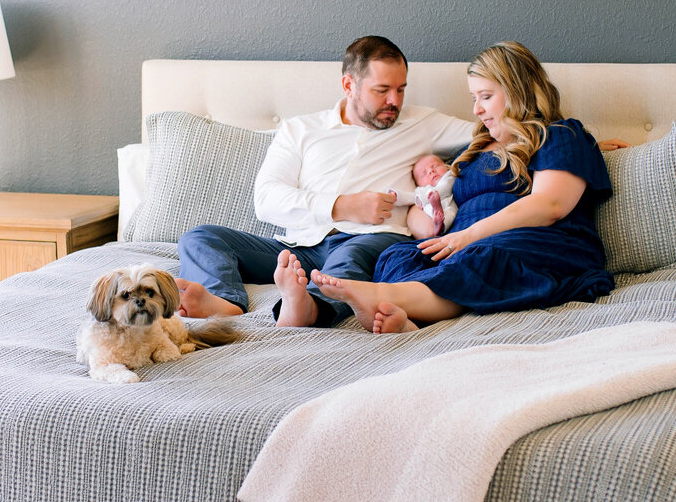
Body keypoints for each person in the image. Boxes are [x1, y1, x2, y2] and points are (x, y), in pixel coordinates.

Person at [312, 40, 614, 334]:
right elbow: (434, 219)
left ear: (517, 92)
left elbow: (550, 205)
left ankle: (380, 297)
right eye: (474, 99)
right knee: (397, 257)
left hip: (535, 240)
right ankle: (407, 320)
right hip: (465, 242)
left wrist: (466, 237)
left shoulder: (559, 136)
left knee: (481, 257)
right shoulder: (470, 152)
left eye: (485, 96)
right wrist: (425, 213)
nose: (477, 111)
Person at [176, 36, 474, 328]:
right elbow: (266, 199)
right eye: (382, 90)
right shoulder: (301, 130)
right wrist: (341, 207)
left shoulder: (423, 123)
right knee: (200, 238)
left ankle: (308, 307)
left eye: (401, 89)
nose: (394, 101)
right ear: (349, 85)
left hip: (373, 238)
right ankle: (223, 301)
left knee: (347, 259)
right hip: (300, 246)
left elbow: (490, 132)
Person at [393, 152, 459, 239]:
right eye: (424, 173)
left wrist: (423, 198)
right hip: (432, 210)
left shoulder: (449, 176)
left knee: (451, 212)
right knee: (426, 207)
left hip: (448, 201)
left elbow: (445, 188)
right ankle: (437, 221)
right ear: (418, 183)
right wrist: (398, 196)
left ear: (445, 166)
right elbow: (412, 197)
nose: (431, 171)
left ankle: (441, 224)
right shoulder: (422, 189)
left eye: (435, 166)